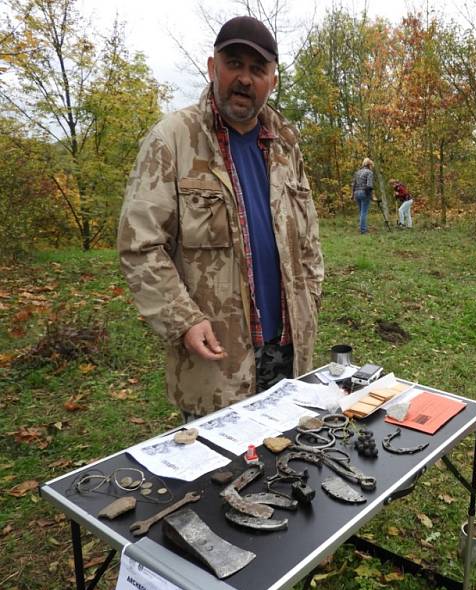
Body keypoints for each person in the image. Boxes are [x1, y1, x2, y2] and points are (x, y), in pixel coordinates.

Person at [117, 16, 324, 421]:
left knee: (289, 469)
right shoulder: (173, 140)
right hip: (217, 360)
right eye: (234, 64)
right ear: (214, 68)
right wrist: (183, 320)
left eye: (257, 69)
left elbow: (310, 238)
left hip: (288, 350)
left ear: (273, 80)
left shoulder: (286, 144)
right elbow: (139, 246)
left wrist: (311, 297)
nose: (244, 79)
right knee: (222, 478)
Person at [352, 158, 374, 234]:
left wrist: (352, 195)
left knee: (361, 212)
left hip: (356, 193)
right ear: (369, 165)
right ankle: (363, 230)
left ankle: (362, 227)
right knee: (364, 212)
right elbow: (369, 186)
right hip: (364, 193)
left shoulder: (357, 172)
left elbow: (353, 185)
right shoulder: (369, 172)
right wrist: (371, 196)